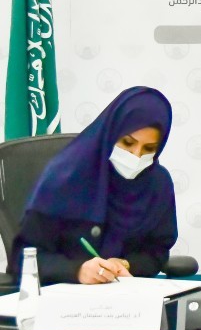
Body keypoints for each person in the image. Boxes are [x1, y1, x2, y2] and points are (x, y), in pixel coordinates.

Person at [9, 86, 178, 285]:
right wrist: (77, 271)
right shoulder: (65, 176)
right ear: (111, 133)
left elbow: (157, 252)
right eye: (127, 142)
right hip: (64, 294)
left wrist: (126, 264)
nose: (136, 155)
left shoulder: (157, 184)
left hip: (127, 295)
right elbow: (22, 259)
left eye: (148, 148)